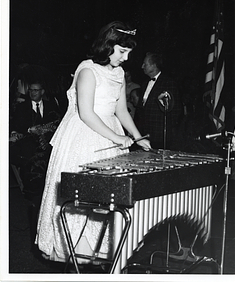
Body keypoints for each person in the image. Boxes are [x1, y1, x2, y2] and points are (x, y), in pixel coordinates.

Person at [35, 21, 151, 265]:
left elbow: (121, 110)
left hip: (111, 133)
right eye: (122, 51)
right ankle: (77, 251)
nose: (126, 58)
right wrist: (118, 138)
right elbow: (86, 113)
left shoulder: (118, 73)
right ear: (108, 46)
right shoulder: (87, 70)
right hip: (85, 135)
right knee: (83, 199)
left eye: (129, 52)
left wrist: (138, 137)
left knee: (109, 201)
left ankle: (104, 253)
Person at [9, 80, 61, 245]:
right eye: (31, 90)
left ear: (42, 91)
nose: (33, 93)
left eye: (36, 90)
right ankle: (33, 194)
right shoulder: (21, 108)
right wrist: (30, 130)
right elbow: (16, 127)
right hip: (30, 149)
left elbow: (58, 123)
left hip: (47, 146)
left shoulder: (51, 104)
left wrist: (46, 130)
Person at [134, 52, 183, 149]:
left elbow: (175, 111)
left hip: (160, 136)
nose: (142, 66)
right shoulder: (144, 84)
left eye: (145, 64)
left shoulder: (168, 83)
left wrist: (167, 132)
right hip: (144, 135)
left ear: (153, 65)